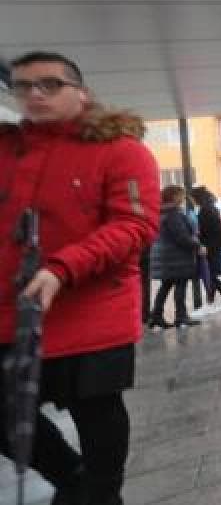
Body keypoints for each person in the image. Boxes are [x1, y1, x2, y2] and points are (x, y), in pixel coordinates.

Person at [0, 50, 160, 505]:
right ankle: (78, 485)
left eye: (49, 84)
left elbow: (135, 225)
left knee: (98, 416)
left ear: (81, 92)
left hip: (93, 312)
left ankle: (99, 491)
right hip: (13, 311)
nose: (34, 93)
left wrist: (62, 268)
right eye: (23, 85)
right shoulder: (7, 148)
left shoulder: (122, 151)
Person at [148, 185, 204, 330]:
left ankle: (156, 316)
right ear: (174, 197)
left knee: (165, 286)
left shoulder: (160, 212)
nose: (183, 198)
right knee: (180, 286)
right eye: (181, 195)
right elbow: (181, 237)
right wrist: (197, 245)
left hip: (164, 257)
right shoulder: (173, 214)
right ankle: (181, 316)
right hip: (176, 257)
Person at [190, 186, 221, 311]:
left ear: (197, 198)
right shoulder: (210, 208)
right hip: (214, 246)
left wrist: (198, 233)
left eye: (192, 198)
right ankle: (211, 302)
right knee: (211, 275)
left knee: (211, 275)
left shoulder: (206, 210)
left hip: (210, 247)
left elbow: (208, 230)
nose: (191, 200)